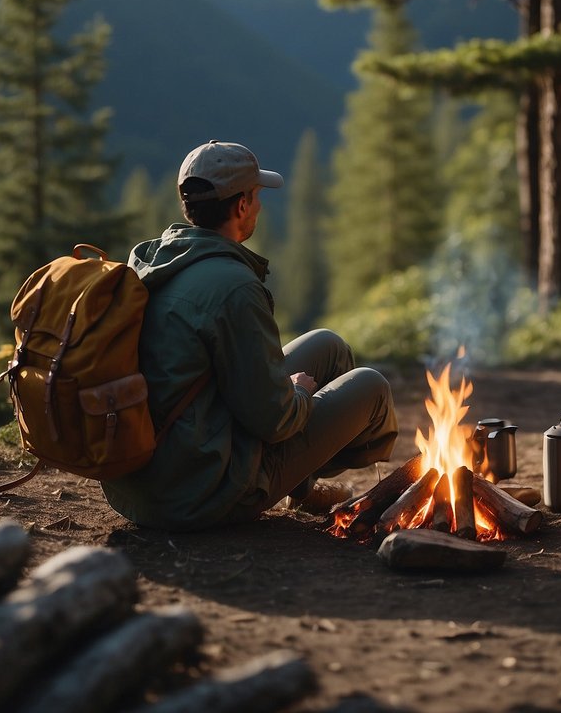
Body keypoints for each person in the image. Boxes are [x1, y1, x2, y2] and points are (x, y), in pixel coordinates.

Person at [101, 140, 399, 530]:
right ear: (241, 205)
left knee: (327, 346)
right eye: (256, 195)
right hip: (199, 493)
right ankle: (289, 479)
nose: (259, 205)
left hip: (140, 480)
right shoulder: (234, 287)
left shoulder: (157, 261)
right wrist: (300, 392)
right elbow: (276, 421)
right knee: (370, 387)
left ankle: (301, 486)